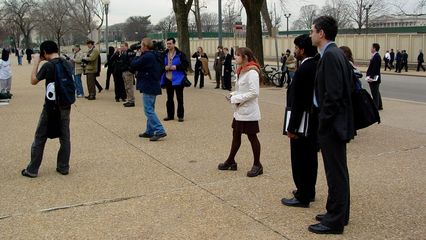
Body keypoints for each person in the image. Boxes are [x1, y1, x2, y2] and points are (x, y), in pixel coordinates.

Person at [309, 15, 355, 234]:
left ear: (321, 33)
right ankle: (337, 212)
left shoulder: (330, 56)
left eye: (312, 31)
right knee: (338, 170)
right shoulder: (334, 54)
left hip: (333, 125)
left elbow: (333, 95)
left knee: (335, 172)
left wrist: (323, 122)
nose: (310, 34)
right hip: (336, 123)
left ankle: (334, 220)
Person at [21, 40, 73, 178]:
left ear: (44, 52)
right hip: (65, 104)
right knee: (65, 136)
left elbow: (33, 80)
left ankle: (32, 169)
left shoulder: (48, 66)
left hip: (51, 106)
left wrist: (36, 63)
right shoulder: (66, 63)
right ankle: (63, 166)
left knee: (40, 136)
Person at [281, 34, 319, 208]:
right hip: (312, 120)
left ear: (302, 50)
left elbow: (299, 101)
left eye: (296, 48)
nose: (295, 51)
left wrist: (292, 127)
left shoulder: (305, 68)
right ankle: (308, 191)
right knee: (310, 159)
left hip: (302, 121)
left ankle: (303, 194)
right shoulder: (316, 63)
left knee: (300, 159)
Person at [218, 47, 263, 178]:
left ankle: (257, 165)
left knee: (252, 137)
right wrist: (232, 94)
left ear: (246, 57)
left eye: (238, 55)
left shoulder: (252, 72)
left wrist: (235, 98)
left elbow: (254, 93)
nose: (235, 58)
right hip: (240, 110)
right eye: (235, 55)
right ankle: (231, 161)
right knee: (236, 134)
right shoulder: (242, 70)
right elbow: (241, 89)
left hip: (249, 111)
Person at [131, 38, 167, 141]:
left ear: (145, 46)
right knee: (150, 108)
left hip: (148, 84)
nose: (140, 47)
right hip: (153, 84)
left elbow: (134, 65)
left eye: (141, 45)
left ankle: (160, 130)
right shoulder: (154, 54)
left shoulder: (147, 56)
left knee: (148, 110)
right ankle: (150, 130)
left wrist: (137, 55)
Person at [160, 37, 189, 122]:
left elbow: (186, 64)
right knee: (169, 98)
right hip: (168, 78)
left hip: (178, 79)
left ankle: (180, 116)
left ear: (174, 44)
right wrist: (164, 67)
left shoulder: (180, 54)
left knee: (179, 98)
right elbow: (160, 65)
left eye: (170, 43)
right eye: (167, 43)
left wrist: (176, 67)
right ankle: (170, 115)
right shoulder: (164, 54)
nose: (168, 45)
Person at [117, 42, 136, 107]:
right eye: (121, 46)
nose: (121, 48)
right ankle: (129, 99)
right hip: (124, 71)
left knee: (129, 87)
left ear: (126, 46)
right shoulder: (123, 53)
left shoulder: (130, 52)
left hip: (128, 71)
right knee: (126, 87)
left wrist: (129, 69)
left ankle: (131, 101)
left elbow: (131, 62)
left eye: (122, 46)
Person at [366, 43, 383, 111]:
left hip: (374, 78)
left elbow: (375, 69)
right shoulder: (375, 56)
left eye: (371, 47)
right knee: (376, 92)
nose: (370, 48)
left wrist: (371, 78)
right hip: (375, 77)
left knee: (374, 94)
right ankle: (379, 105)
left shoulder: (376, 57)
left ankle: (375, 107)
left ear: (374, 48)